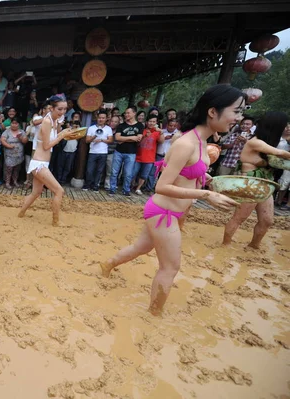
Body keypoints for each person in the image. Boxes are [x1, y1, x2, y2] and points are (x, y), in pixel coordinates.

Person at [100, 84, 243, 316]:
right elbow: (162, 186)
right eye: (236, 111)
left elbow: (187, 172)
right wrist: (206, 194)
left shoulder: (202, 140)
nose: (238, 117)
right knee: (170, 267)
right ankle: (153, 316)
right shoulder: (186, 143)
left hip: (170, 212)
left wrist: (207, 179)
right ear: (213, 112)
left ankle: (107, 266)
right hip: (163, 213)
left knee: (140, 248)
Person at [223, 112, 290, 249]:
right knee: (240, 217)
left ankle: (254, 246)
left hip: (265, 183)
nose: (286, 128)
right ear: (275, 127)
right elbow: (281, 154)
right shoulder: (255, 142)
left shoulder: (268, 143)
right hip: (251, 183)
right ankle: (225, 245)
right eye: (284, 126)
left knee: (267, 220)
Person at [18, 95, 76, 226]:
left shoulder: (54, 121)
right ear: (51, 108)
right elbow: (46, 146)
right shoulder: (47, 121)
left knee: (36, 192)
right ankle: (55, 221)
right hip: (39, 163)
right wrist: (62, 135)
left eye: (65, 109)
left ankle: (21, 213)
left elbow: (54, 138)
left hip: (42, 163)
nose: (62, 112)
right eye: (60, 109)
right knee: (59, 191)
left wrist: (64, 133)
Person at [109, 106, 144, 196]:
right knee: (114, 172)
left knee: (128, 173)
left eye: (128, 113)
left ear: (134, 113)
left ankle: (126, 190)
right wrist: (132, 137)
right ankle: (112, 189)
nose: (126, 115)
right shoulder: (121, 125)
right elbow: (117, 138)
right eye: (125, 113)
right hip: (119, 151)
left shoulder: (139, 125)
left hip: (131, 153)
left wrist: (123, 139)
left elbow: (139, 139)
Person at [133, 115, 164, 194]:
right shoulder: (142, 130)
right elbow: (137, 144)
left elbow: (161, 141)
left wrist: (161, 132)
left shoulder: (157, 132)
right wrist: (144, 137)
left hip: (150, 158)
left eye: (154, 122)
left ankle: (138, 188)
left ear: (156, 122)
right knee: (133, 173)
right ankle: (131, 186)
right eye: (150, 121)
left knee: (144, 175)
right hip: (138, 157)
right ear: (146, 122)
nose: (151, 123)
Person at [84, 110, 113, 191]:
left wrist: (102, 140)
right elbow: (87, 140)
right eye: (100, 118)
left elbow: (110, 140)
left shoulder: (108, 129)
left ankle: (95, 185)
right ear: (97, 118)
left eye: (103, 118)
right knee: (89, 170)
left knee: (99, 170)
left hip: (103, 152)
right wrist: (94, 137)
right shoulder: (91, 128)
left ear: (106, 119)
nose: (101, 119)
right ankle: (87, 184)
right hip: (92, 152)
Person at [0, 118, 28, 188]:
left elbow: (25, 141)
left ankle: (15, 181)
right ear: (10, 124)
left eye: (16, 123)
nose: (14, 125)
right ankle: (7, 182)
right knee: (9, 168)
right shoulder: (7, 132)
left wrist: (20, 137)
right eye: (13, 123)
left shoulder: (21, 132)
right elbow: (2, 140)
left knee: (17, 169)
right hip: (9, 154)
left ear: (18, 124)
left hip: (19, 154)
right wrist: (9, 146)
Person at [57, 120, 80, 185]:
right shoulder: (66, 130)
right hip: (63, 150)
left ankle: (63, 180)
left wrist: (78, 130)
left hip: (72, 152)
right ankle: (58, 180)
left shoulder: (79, 132)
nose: (75, 126)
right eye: (74, 124)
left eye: (76, 125)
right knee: (60, 166)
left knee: (68, 167)